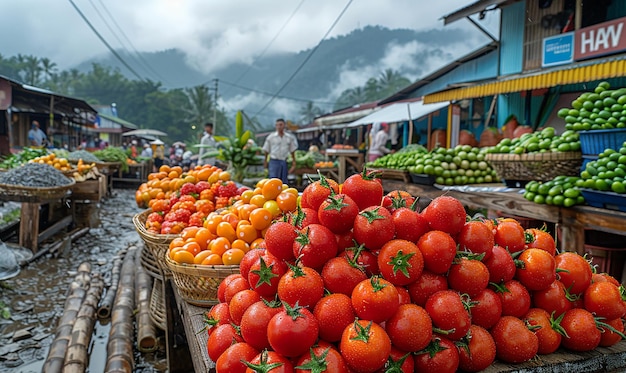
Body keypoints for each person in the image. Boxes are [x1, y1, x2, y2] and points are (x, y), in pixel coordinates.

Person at [263, 118, 298, 184]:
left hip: (283, 162)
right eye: (277, 125)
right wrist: (265, 161)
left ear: (284, 125)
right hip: (274, 162)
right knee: (273, 181)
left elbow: (292, 150)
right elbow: (266, 150)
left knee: (283, 182)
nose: (279, 127)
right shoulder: (271, 137)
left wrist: (294, 163)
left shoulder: (289, 137)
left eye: (280, 125)